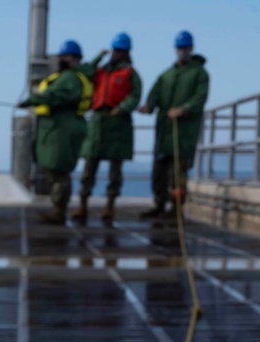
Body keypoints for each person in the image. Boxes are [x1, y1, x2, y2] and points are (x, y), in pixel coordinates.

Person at [17, 40, 93, 225]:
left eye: (67, 56)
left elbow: (55, 95)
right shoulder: (70, 77)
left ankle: (59, 210)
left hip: (62, 128)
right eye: (62, 56)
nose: (63, 59)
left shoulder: (69, 78)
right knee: (55, 168)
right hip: (59, 127)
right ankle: (57, 207)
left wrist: (31, 100)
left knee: (59, 169)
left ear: (76, 59)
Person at [138, 31, 209, 220]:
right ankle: (159, 205)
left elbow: (200, 98)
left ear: (191, 48)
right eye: (179, 48)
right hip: (164, 133)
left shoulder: (199, 74)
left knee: (177, 174)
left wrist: (184, 109)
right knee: (159, 172)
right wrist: (148, 106)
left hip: (183, 134)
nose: (182, 51)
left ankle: (176, 210)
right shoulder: (167, 75)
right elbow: (155, 94)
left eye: (185, 48)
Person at [75, 33, 142, 227]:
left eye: (120, 51)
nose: (116, 54)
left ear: (127, 53)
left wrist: (122, 108)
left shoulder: (130, 73)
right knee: (89, 166)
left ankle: (110, 206)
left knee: (115, 170)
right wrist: (97, 57)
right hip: (97, 121)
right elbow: (83, 71)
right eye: (115, 50)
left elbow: (135, 95)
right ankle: (82, 204)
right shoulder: (100, 71)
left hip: (118, 123)